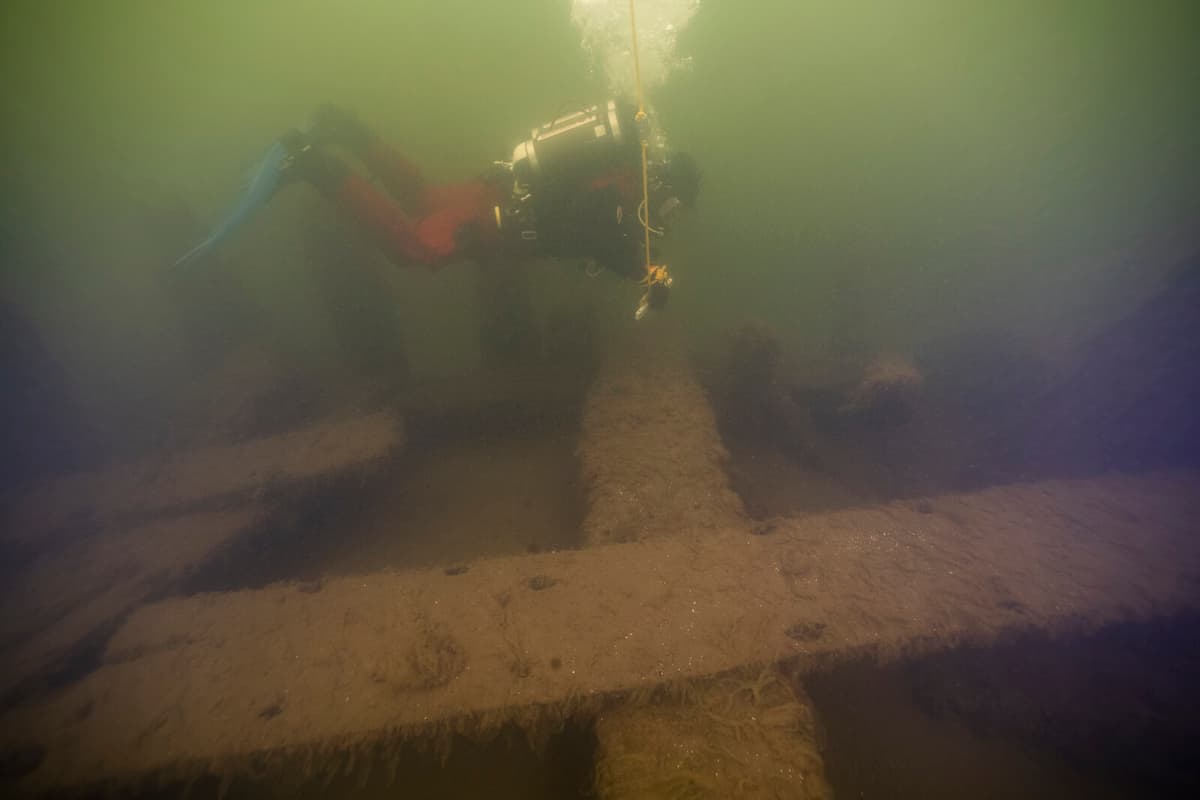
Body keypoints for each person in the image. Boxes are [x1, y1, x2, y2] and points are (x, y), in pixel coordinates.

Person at [178, 100, 700, 318]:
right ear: (661, 185)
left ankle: (344, 127)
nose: (664, 216)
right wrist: (649, 275)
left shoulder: (614, 173)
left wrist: (644, 265)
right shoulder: (618, 197)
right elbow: (602, 238)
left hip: (498, 187)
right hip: (490, 223)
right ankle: (312, 165)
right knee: (414, 249)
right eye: (671, 206)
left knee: (424, 199)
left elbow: (593, 228)